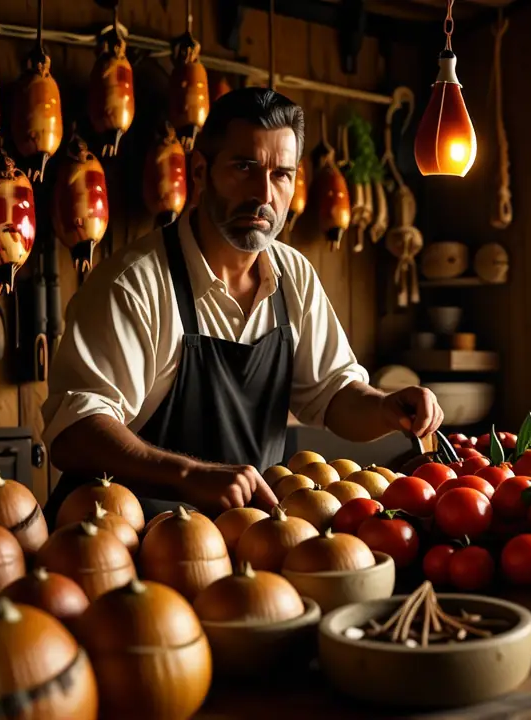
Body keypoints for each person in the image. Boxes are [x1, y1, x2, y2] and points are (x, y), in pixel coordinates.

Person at [41, 88, 443, 521]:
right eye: (244, 167)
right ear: (200, 170)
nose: (264, 195)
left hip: (242, 540)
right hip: (121, 540)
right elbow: (75, 431)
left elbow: (334, 396)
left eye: (281, 175)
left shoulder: (294, 276)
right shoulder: (135, 283)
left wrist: (384, 407)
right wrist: (187, 475)